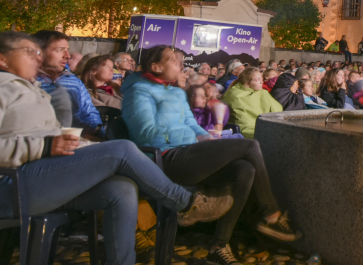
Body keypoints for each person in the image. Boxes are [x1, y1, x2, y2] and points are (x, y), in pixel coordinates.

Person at [0, 32, 233, 265]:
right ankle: (184, 203)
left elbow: (41, 137)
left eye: (37, 51)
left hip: (32, 178)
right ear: (1, 59)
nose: (38, 57)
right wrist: (44, 145)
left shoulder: (30, 91)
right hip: (0, 190)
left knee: (120, 188)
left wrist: (74, 144)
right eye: (29, 52)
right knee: (121, 149)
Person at [121, 45, 301, 264]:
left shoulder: (176, 92)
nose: (179, 63)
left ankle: (220, 245)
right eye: (171, 60)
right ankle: (271, 214)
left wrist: (206, 137)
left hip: (187, 151)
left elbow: (190, 124)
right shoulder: (138, 91)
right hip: (163, 159)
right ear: (155, 66)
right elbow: (145, 133)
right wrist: (191, 138)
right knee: (250, 146)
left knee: (245, 169)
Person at [33, 30, 103, 134]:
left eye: (67, 50)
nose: (67, 55)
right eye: (60, 50)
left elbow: (88, 111)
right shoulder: (28, 80)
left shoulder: (73, 80)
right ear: (39, 52)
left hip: (73, 137)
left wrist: (97, 131)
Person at [222, 69, 282, 137]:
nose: (261, 82)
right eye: (257, 80)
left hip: (265, 127)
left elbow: (277, 110)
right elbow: (243, 120)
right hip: (244, 130)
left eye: (261, 79)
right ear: (247, 84)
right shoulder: (234, 95)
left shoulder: (262, 92)